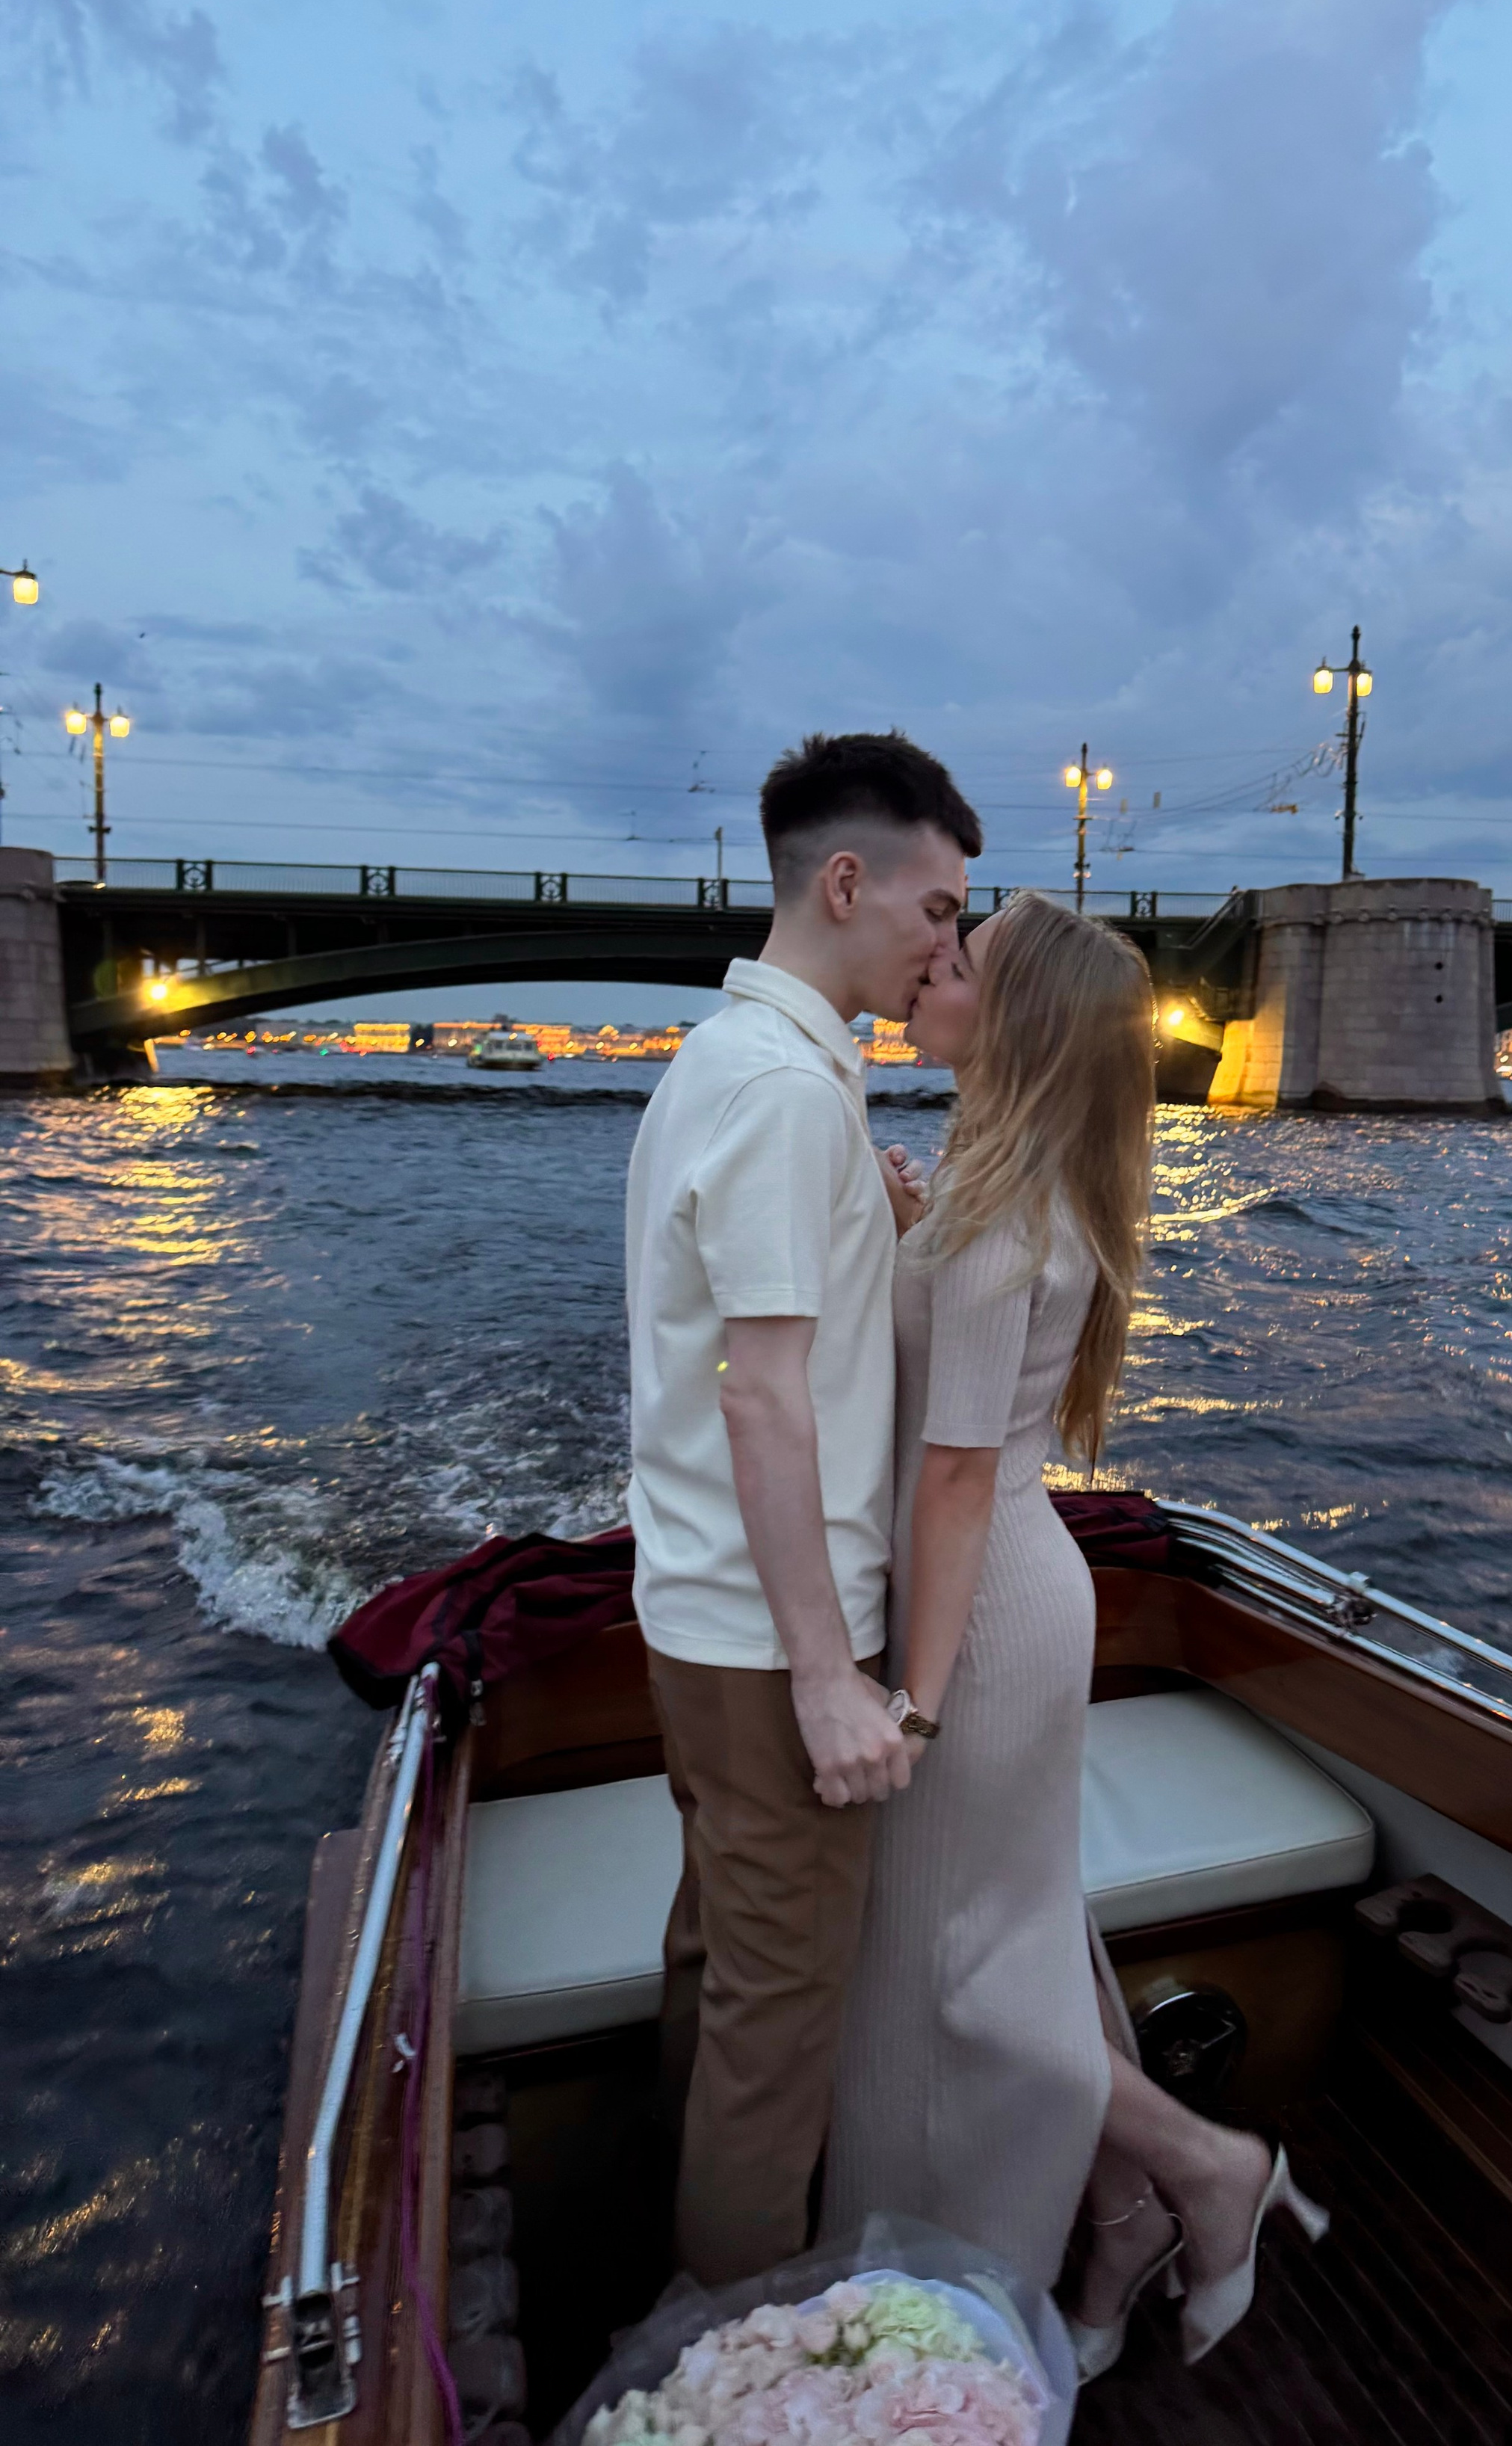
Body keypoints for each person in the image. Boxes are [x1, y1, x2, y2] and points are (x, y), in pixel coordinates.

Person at [822, 890, 1322, 2370]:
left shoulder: (1000, 1228)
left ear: (1018, 1017)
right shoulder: (1011, 1197)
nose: (933, 962)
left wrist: (912, 1699)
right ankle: (1121, 2216)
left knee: (974, 1984)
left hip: (974, 1620)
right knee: (1019, 1947)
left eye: (961, 957)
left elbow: (954, 1474)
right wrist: (911, 1240)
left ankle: (1204, 2171)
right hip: (1004, 1597)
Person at [625, 728, 981, 2286]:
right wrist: (833, 1677)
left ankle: (664, 2291)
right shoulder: (784, 1092)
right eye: (935, 909)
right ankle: (732, 2356)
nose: (943, 947)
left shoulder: (728, 1063)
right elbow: (761, 1396)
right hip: (775, 1647)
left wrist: (871, 1229)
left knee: (717, 1969)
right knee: (776, 2039)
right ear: (846, 883)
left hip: (696, 1612)